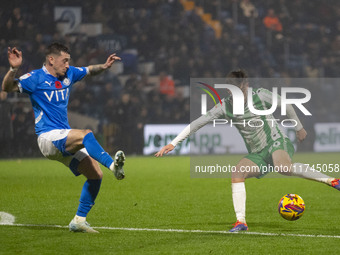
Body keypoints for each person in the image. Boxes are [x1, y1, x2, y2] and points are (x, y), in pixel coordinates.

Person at [155, 69, 340, 232]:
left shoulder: (260, 95)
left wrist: (298, 127)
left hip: (276, 141)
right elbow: (198, 123)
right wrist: (174, 142)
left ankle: (332, 181)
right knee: (237, 173)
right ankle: (241, 222)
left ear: (246, 85)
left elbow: (286, 105)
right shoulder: (224, 106)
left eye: (240, 89)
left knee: (283, 167)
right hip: (257, 153)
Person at [2, 43, 126, 233]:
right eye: (65, 60)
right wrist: (13, 68)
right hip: (48, 137)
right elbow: (8, 87)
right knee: (86, 134)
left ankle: (79, 221)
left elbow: (89, 71)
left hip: (63, 138)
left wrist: (104, 66)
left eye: (69, 61)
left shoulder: (68, 74)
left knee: (95, 175)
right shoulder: (35, 78)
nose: (68, 65)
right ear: (51, 59)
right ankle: (113, 166)